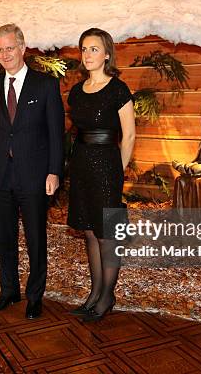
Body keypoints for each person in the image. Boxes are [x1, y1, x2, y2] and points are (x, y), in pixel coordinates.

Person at [0, 24, 64, 319]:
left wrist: (54, 172)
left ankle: (35, 295)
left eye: (9, 48)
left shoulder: (45, 85)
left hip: (35, 175)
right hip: (0, 174)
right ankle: (9, 290)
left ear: (23, 48)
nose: (4, 54)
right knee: (4, 236)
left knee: (36, 238)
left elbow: (56, 134)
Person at [67, 27, 136, 322]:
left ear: (107, 54)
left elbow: (129, 136)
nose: (88, 54)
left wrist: (117, 173)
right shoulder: (76, 91)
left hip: (107, 165)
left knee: (107, 235)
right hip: (81, 163)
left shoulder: (118, 89)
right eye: (84, 49)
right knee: (89, 231)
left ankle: (108, 295)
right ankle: (94, 293)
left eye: (94, 49)